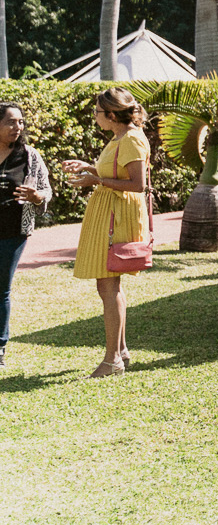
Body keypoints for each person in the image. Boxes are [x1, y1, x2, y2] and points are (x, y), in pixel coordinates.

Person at [63, 89, 151, 377]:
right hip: (110, 211)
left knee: (108, 285)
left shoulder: (132, 139)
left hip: (118, 215)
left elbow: (138, 184)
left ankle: (112, 360)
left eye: (98, 112)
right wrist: (90, 168)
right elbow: (118, 172)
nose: (95, 117)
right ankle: (120, 351)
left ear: (112, 115)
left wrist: (96, 179)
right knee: (110, 285)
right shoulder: (120, 138)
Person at [0, 101, 55, 368]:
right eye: (11, 121)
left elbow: (47, 191)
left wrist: (36, 196)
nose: (17, 127)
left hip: (12, 232)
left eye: (20, 122)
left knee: (1, 289)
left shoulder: (29, 156)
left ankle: (0, 344)